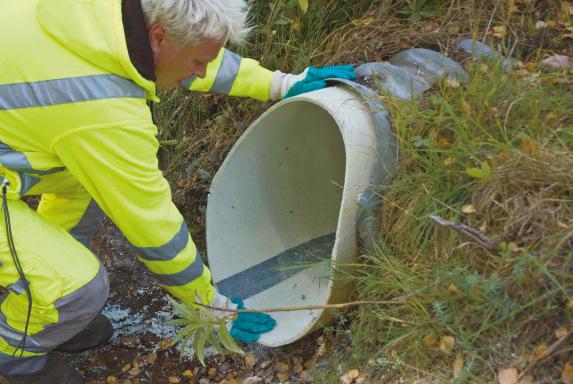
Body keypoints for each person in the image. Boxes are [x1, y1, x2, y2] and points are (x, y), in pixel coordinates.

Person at [0, 0, 355, 383]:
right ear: (158, 38)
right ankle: (17, 355)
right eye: (196, 64)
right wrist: (211, 306)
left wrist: (278, 83)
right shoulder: (100, 108)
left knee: (84, 185)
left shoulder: (105, 18)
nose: (201, 73)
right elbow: (151, 225)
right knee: (80, 289)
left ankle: (44, 304)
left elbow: (195, 56)